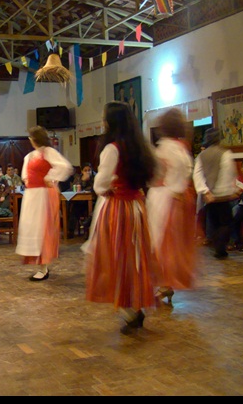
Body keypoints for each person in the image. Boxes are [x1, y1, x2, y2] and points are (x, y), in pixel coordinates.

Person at [81, 101, 158, 335]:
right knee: (133, 258)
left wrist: (106, 188)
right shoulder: (139, 148)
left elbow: (100, 184)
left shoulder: (112, 149)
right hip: (136, 208)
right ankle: (133, 305)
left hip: (117, 210)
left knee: (114, 258)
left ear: (110, 122)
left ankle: (130, 309)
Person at [146, 108, 197, 305]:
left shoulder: (165, 147)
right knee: (173, 245)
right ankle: (166, 285)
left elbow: (157, 176)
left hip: (163, 199)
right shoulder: (183, 147)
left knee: (160, 243)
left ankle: (164, 284)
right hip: (180, 198)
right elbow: (185, 173)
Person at [15, 125, 74, 281]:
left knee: (42, 229)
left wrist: (50, 177)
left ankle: (44, 267)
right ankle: (40, 265)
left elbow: (65, 167)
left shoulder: (48, 152)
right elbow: (25, 174)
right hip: (32, 196)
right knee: (32, 228)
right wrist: (28, 180)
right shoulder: (30, 156)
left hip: (42, 195)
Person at [193, 128, 237, 259]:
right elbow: (228, 173)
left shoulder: (202, 155)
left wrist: (205, 191)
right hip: (222, 195)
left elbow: (197, 174)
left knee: (214, 222)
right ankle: (220, 249)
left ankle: (219, 248)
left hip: (209, 196)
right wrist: (230, 191)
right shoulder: (225, 154)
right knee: (225, 223)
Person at [67, 162, 96, 238]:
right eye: (85, 170)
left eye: (89, 170)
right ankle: (71, 230)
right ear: (82, 171)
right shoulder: (78, 177)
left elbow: (94, 188)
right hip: (81, 201)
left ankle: (88, 231)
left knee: (93, 208)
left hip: (93, 201)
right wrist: (83, 180)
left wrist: (88, 180)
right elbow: (74, 187)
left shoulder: (95, 176)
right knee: (75, 208)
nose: (87, 172)